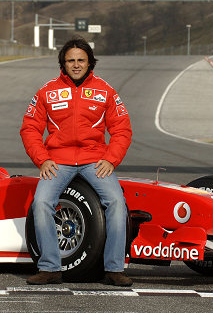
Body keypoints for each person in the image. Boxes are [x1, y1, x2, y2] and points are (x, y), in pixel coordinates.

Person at [20, 36, 133, 286]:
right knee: (41, 203)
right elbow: (29, 128)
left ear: (90, 62)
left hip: (95, 160)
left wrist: (111, 159)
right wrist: (42, 159)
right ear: (63, 63)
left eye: (81, 60)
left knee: (116, 202)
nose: (76, 65)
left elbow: (122, 129)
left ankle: (114, 269)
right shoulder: (47, 91)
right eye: (70, 60)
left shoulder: (105, 91)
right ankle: (50, 268)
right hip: (57, 161)